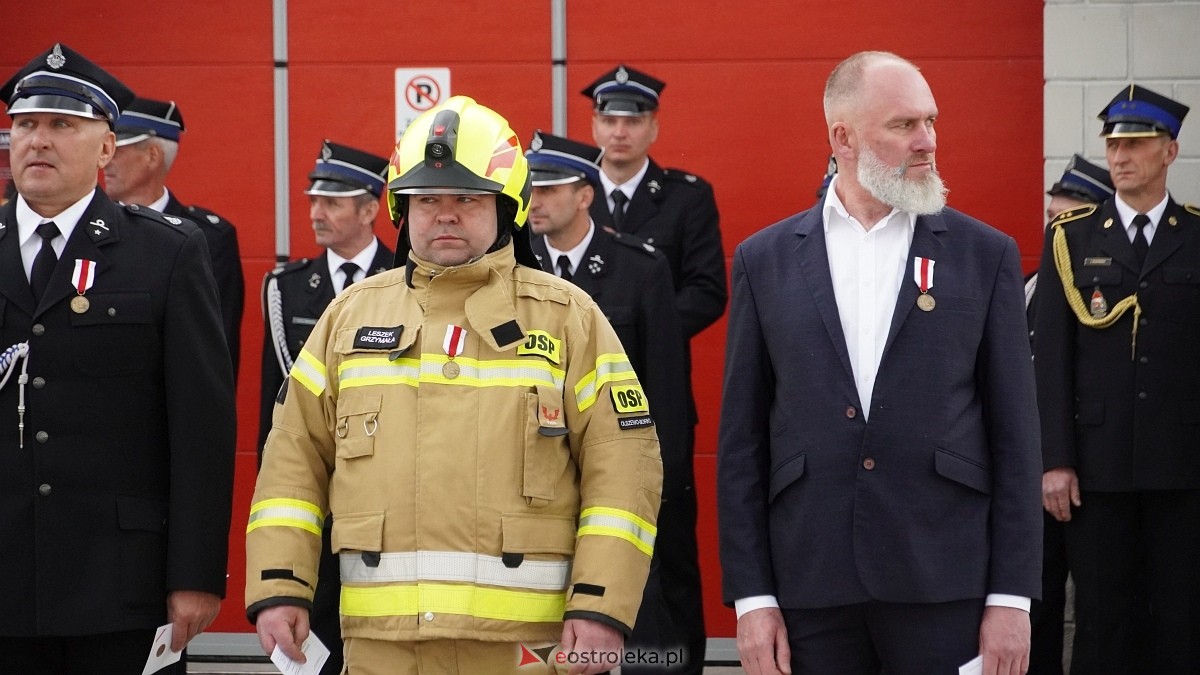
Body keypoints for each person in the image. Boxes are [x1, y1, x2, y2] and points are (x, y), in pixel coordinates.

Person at [247, 96, 661, 675]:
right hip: (381, 649)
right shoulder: (348, 319)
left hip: (528, 652)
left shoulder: (569, 318)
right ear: (401, 209)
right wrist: (280, 586)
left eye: (467, 198)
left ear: (507, 209)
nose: (445, 214)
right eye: (427, 200)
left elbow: (624, 470)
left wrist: (601, 606)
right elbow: (292, 462)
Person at [717, 51, 1042, 675]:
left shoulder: (985, 255)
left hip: (945, 585)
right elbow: (741, 445)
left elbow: (1017, 438)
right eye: (903, 125)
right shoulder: (766, 260)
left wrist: (1012, 598)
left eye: (932, 121)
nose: (927, 142)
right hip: (811, 589)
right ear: (842, 136)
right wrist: (752, 599)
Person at [0, 43, 235, 673]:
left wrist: (196, 574)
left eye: (62, 125)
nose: (38, 141)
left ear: (107, 147)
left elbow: (201, 428)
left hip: (122, 587)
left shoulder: (165, 254)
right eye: (25, 125)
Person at [1033, 84, 1199, 673]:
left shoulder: (1196, 236)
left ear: (1170, 152)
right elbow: (1050, 361)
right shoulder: (1071, 237)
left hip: (1181, 469)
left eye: (1136, 143)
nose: (1120, 156)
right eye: (1112, 144)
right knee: (1103, 619)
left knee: (1181, 619)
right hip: (1095, 472)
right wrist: (1055, 460)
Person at [525, 130, 690, 671]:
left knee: (640, 626)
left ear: (585, 195)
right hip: (539, 482)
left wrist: (659, 488)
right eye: (531, 189)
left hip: (619, 475)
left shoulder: (640, 269)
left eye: (550, 189)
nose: (536, 201)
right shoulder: (516, 269)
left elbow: (664, 391)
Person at [581, 63, 723, 673]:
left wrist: (641, 327)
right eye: (608, 119)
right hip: (578, 400)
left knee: (669, 542)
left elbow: (707, 289)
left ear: (653, 126)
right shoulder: (563, 192)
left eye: (632, 120)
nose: (619, 131)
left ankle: (675, 662)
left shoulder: (687, 196)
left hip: (653, 395)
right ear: (593, 124)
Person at [257, 138, 393, 675]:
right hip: (319, 487)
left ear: (369, 209)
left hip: (386, 487)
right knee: (313, 635)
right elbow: (280, 409)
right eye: (314, 200)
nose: (317, 213)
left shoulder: (408, 279)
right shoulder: (285, 289)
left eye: (333, 202)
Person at [1026, 154, 1113, 675]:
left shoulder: (1110, 289)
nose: (1055, 232)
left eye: (1067, 221)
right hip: (1030, 473)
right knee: (1033, 605)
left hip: (1092, 471)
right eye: (1051, 219)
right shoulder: (1032, 284)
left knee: (1103, 609)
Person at [104, 96, 246, 380]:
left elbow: (216, 353)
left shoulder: (209, 238)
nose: (105, 160)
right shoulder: (87, 227)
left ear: (153, 156)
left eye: (117, 150)